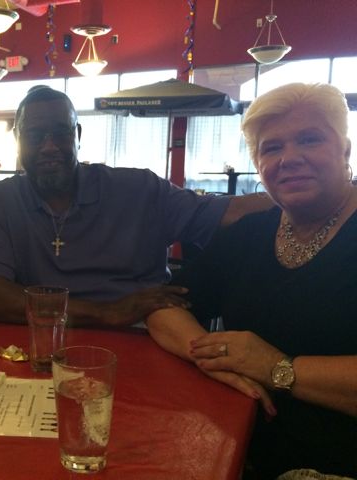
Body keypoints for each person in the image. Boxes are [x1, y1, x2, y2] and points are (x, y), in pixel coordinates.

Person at [145, 83, 357, 478]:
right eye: (271, 148)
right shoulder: (250, 233)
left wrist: (278, 367)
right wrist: (210, 357)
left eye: (309, 139)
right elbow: (162, 306)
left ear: (344, 150)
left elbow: (267, 364)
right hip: (234, 447)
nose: (289, 158)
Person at [0, 86, 273, 327]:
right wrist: (106, 312)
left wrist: (296, 200)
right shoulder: (2, 199)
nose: (49, 146)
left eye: (61, 133)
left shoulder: (139, 189)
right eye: (35, 135)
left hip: (142, 335)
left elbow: (228, 213)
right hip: (40, 343)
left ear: (77, 136)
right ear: (18, 139)